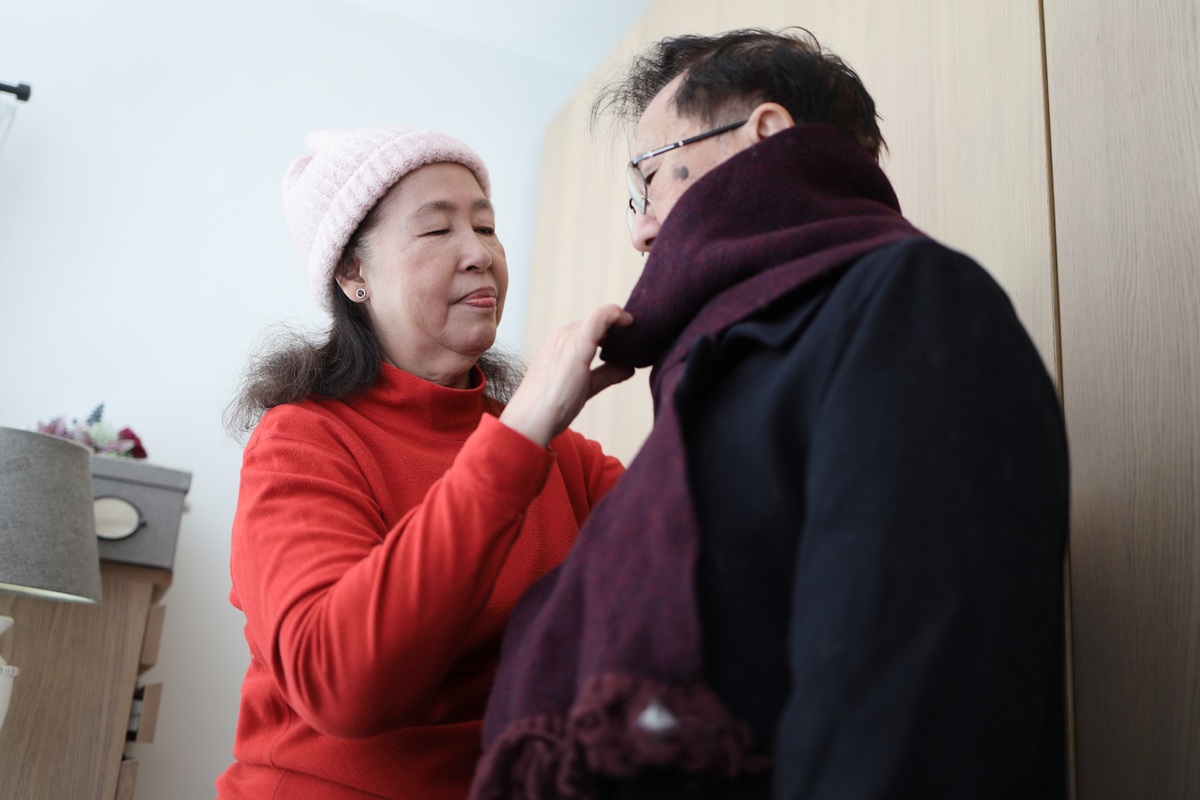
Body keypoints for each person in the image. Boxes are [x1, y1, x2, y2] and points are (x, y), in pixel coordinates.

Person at [472, 28, 1069, 800]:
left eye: (649, 180)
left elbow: (908, 705)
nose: (640, 229)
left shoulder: (911, 302)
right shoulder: (719, 378)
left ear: (766, 136)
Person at [216, 127, 634, 800]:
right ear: (353, 274)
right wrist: (517, 439)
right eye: (438, 230)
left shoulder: (555, 454)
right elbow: (342, 683)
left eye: (487, 226)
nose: (481, 254)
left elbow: (700, 559)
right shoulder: (301, 442)